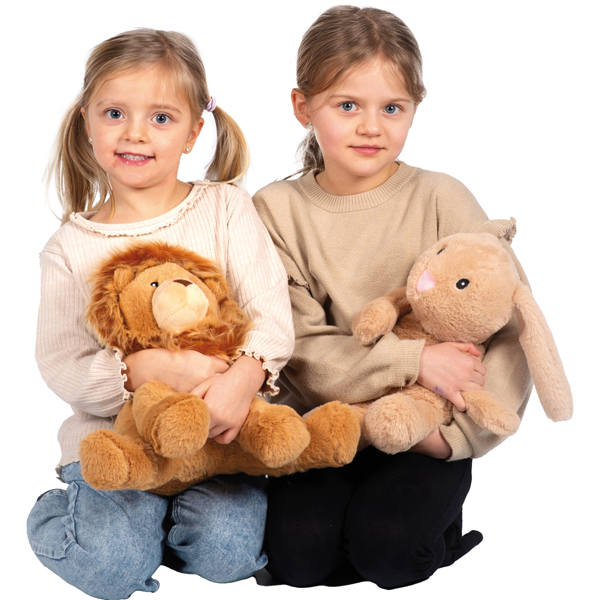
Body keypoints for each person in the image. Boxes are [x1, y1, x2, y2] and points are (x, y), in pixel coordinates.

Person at [252, 5, 532, 590]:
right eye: (347, 105)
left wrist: (455, 440)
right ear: (303, 107)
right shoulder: (276, 210)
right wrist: (414, 360)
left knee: (389, 554)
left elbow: (513, 325)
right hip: (330, 421)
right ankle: (351, 534)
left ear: (413, 109)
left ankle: (418, 535)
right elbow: (298, 345)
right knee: (296, 562)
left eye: (392, 108)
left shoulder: (441, 196)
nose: (371, 127)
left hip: (425, 428)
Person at [27, 28, 294, 599]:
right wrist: (137, 371)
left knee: (230, 554)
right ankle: (73, 513)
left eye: (161, 118)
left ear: (194, 130)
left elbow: (270, 312)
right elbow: (60, 363)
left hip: (215, 444)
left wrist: (244, 379)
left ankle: (160, 534)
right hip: (118, 447)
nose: (135, 133)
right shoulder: (69, 247)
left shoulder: (225, 207)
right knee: (109, 568)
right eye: (115, 113)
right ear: (86, 121)